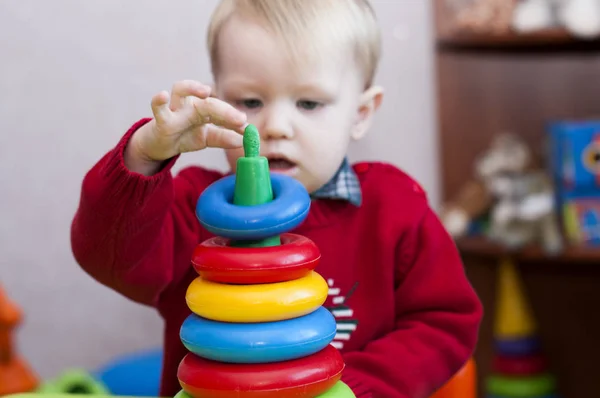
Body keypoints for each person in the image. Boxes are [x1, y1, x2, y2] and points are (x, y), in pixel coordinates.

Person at [70, 1, 483, 397]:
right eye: (250, 101)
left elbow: (445, 322)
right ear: (215, 103)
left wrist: (353, 388)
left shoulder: (394, 206)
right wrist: (144, 157)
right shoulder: (191, 204)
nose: (275, 126)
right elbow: (108, 257)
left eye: (309, 103)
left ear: (361, 113)